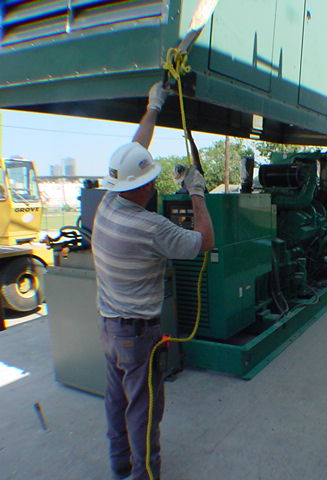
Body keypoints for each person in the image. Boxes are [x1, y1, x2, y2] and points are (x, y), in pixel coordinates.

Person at [92, 81, 214, 480]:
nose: (156, 183)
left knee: (116, 403)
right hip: (139, 336)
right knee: (143, 411)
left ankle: (120, 466)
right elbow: (203, 242)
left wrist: (153, 109)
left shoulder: (107, 204)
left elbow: (133, 151)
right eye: (151, 179)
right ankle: (145, 475)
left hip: (110, 329)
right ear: (141, 187)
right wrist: (197, 194)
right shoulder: (151, 227)